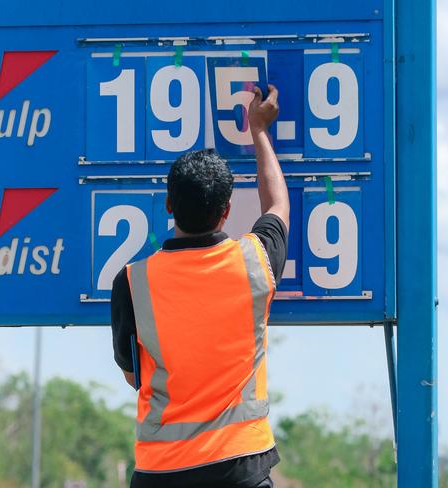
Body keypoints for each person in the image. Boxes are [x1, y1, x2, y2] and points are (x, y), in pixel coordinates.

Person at [110, 84, 289, 488]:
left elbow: (132, 375)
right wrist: (258, 129)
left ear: (169, 205)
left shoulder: (132, 281)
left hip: (161, 471)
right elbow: (277, 206)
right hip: (240, 466)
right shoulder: (255, 261)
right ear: (226, 212)